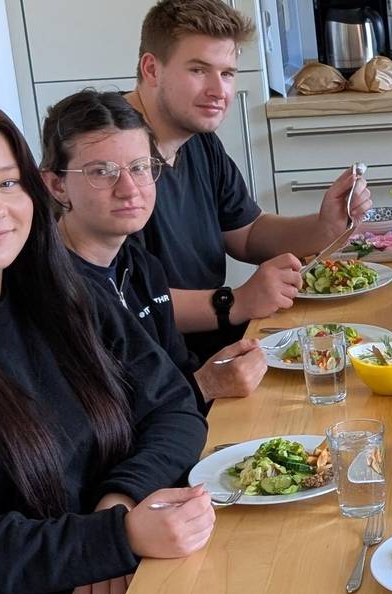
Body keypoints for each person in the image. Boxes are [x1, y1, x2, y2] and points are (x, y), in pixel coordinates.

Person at [0, 94, 216, 594]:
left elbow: (173, 407)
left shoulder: (66, 295)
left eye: (7, 183)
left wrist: (116, 509)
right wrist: (114, 540)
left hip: (133, 580)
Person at [126, 0, 371, 362]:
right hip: (152, 373)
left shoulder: (197, 138)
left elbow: (247, 234)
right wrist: (234, 302)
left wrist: (325, 227)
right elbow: (117, 299)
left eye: (227, 73)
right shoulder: (108, 152)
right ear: (152, 69)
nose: (218, 91)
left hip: (215, 349)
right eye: (198, 70)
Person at [41, 90, 267, 413]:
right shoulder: (52, 292)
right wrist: (205, 384)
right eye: (102, 172)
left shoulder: (140, 267)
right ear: (57, 186)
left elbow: (176, 372)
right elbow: (106, 430)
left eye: (139, 167)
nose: (129, 190)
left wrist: (215, 372)